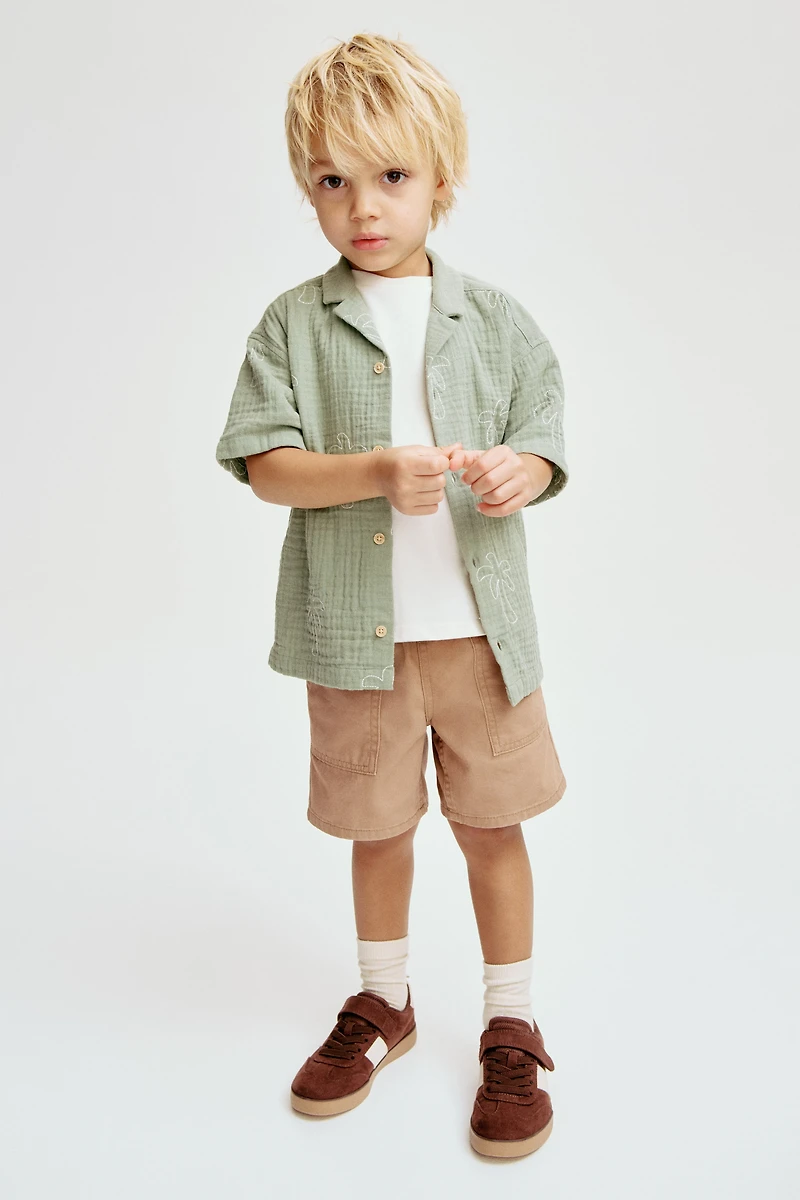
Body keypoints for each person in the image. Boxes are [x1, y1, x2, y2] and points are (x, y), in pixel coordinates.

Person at [215, 32, 569, 1159]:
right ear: (306, 189)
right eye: (331, 181)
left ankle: (510, 1021)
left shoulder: (496, 319)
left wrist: (524, 471)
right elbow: (265, 464)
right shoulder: (291, 323)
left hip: (479, 639)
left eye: (391, 175)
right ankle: (384, 999)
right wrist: (371, 470)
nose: (362, 206)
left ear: (441, 179)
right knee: (378, 832)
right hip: (355, 643)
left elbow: (543, 431)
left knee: (493, 826)